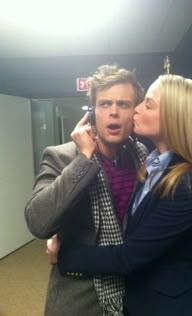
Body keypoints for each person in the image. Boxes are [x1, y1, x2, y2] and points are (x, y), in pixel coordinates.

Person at [55, 74, 192, 316]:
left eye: (148, 104)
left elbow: (129, 256)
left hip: (172, 308)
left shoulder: (188, 184)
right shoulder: (151, 164)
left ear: (174, 118)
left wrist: (64, 253)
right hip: (141, 300)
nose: (135, 109)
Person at [24, 65, 147, 316]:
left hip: (135, 294)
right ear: (92, 112)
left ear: (134, 111)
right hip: (78, 300)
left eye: (123, 104)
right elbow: (38, 222)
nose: (113, 112)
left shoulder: (142, 157)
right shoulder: (61, 156)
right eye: (104, 104)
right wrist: (83, 159)